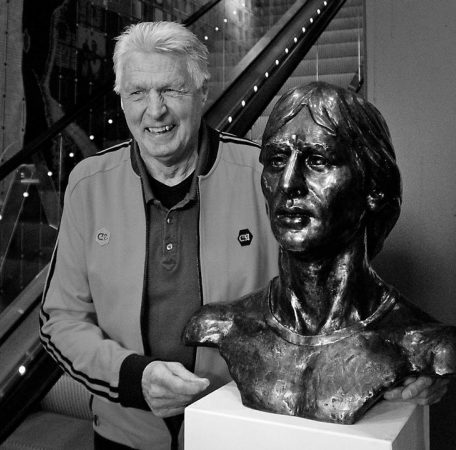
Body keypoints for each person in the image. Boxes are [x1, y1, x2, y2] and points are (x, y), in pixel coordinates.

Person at [40, 22, 446, 449]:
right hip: (123, 434)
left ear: (202, 92)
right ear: (121, 99)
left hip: (238, 429)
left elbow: (337, 296)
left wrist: (410, 371)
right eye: (137, 93)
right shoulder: (88, 184)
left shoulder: (269, 175)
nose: (154, 110)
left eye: (171, 90)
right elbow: (60, 319)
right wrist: (130, 378)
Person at [183, 81, 456, 424]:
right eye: (276, 160)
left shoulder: (419, 342)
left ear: (373, 187)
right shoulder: (224, 326)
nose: (288, 184)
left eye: (317, 160)